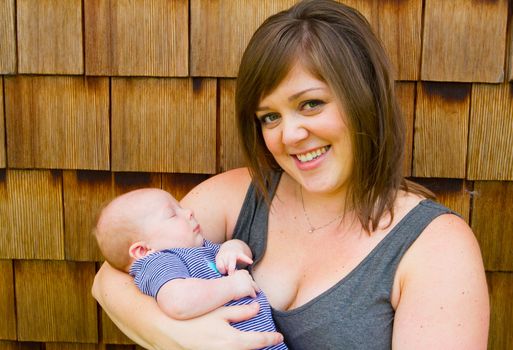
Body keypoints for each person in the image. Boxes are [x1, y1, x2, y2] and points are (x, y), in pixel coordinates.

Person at [92, 0, 490, 349]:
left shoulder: (435, 247)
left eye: (311, 104)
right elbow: (111, 278)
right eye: (270, 116)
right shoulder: (241, 193)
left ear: (364, 97)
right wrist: (179, 335)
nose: (290, 135)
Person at [93, 188, 287, 350]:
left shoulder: (199, 249)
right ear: (143, 250)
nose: (189, 212)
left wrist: (232, 248)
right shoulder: (159, 262)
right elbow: (178, 302)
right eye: (172, 214)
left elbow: (241, 259)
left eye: (181, 207)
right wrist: (232, 286)